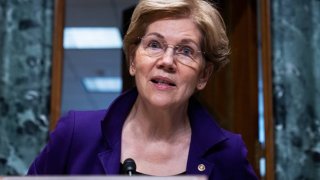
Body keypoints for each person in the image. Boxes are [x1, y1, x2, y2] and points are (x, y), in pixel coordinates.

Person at [27, 0, 258, 179]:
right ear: (132, 61)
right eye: (154, 45)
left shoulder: (228, 154)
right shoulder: (77, 134)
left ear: (203, 75)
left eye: (186, 51)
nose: (167, 61)